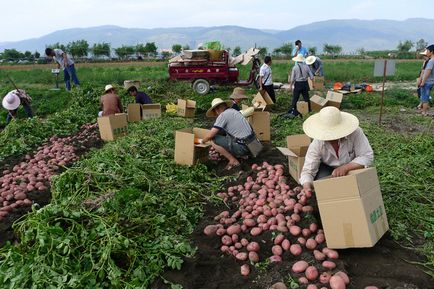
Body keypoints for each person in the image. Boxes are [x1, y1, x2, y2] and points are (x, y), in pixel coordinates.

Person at [299, 106, 374, 193]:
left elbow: (367, 156)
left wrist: (345, 168)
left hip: (353, 168)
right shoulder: (317, 144)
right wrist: (307, 186)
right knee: (323, 186)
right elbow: (308, 171)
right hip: (330, 170)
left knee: (361, 188)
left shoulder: (355, 133)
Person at [202, 98, 255, 170]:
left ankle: (233, 160)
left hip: (244, 148)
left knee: (213, 139)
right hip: (254, 145)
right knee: (227, 134)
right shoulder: (234, 111)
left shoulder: (223, 115)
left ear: (217, 109)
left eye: (215, 111)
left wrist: (202, 141)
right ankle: (243, 155)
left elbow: (210, 135)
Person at [283, 54, 313, 118]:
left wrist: (290, 86)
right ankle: (309, 110)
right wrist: (313, 84)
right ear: (302, 60)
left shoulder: (295, 67)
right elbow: (312, 77)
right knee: (306, 98)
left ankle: (292, 110)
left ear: (297, 60)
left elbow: (292, 78)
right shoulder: (307, 67)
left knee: (295, 98)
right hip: (305, 83)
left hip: (298, 84)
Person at [417, 47, 433, 114]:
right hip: (431, 80)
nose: (426, 53)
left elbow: (427, 72)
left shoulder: (431, 61)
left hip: (428, 81)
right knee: (425, 95)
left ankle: (424, 112)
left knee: (424, 97)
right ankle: (423, 109)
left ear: (431, 52)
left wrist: (422, 81)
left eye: (427, 51)